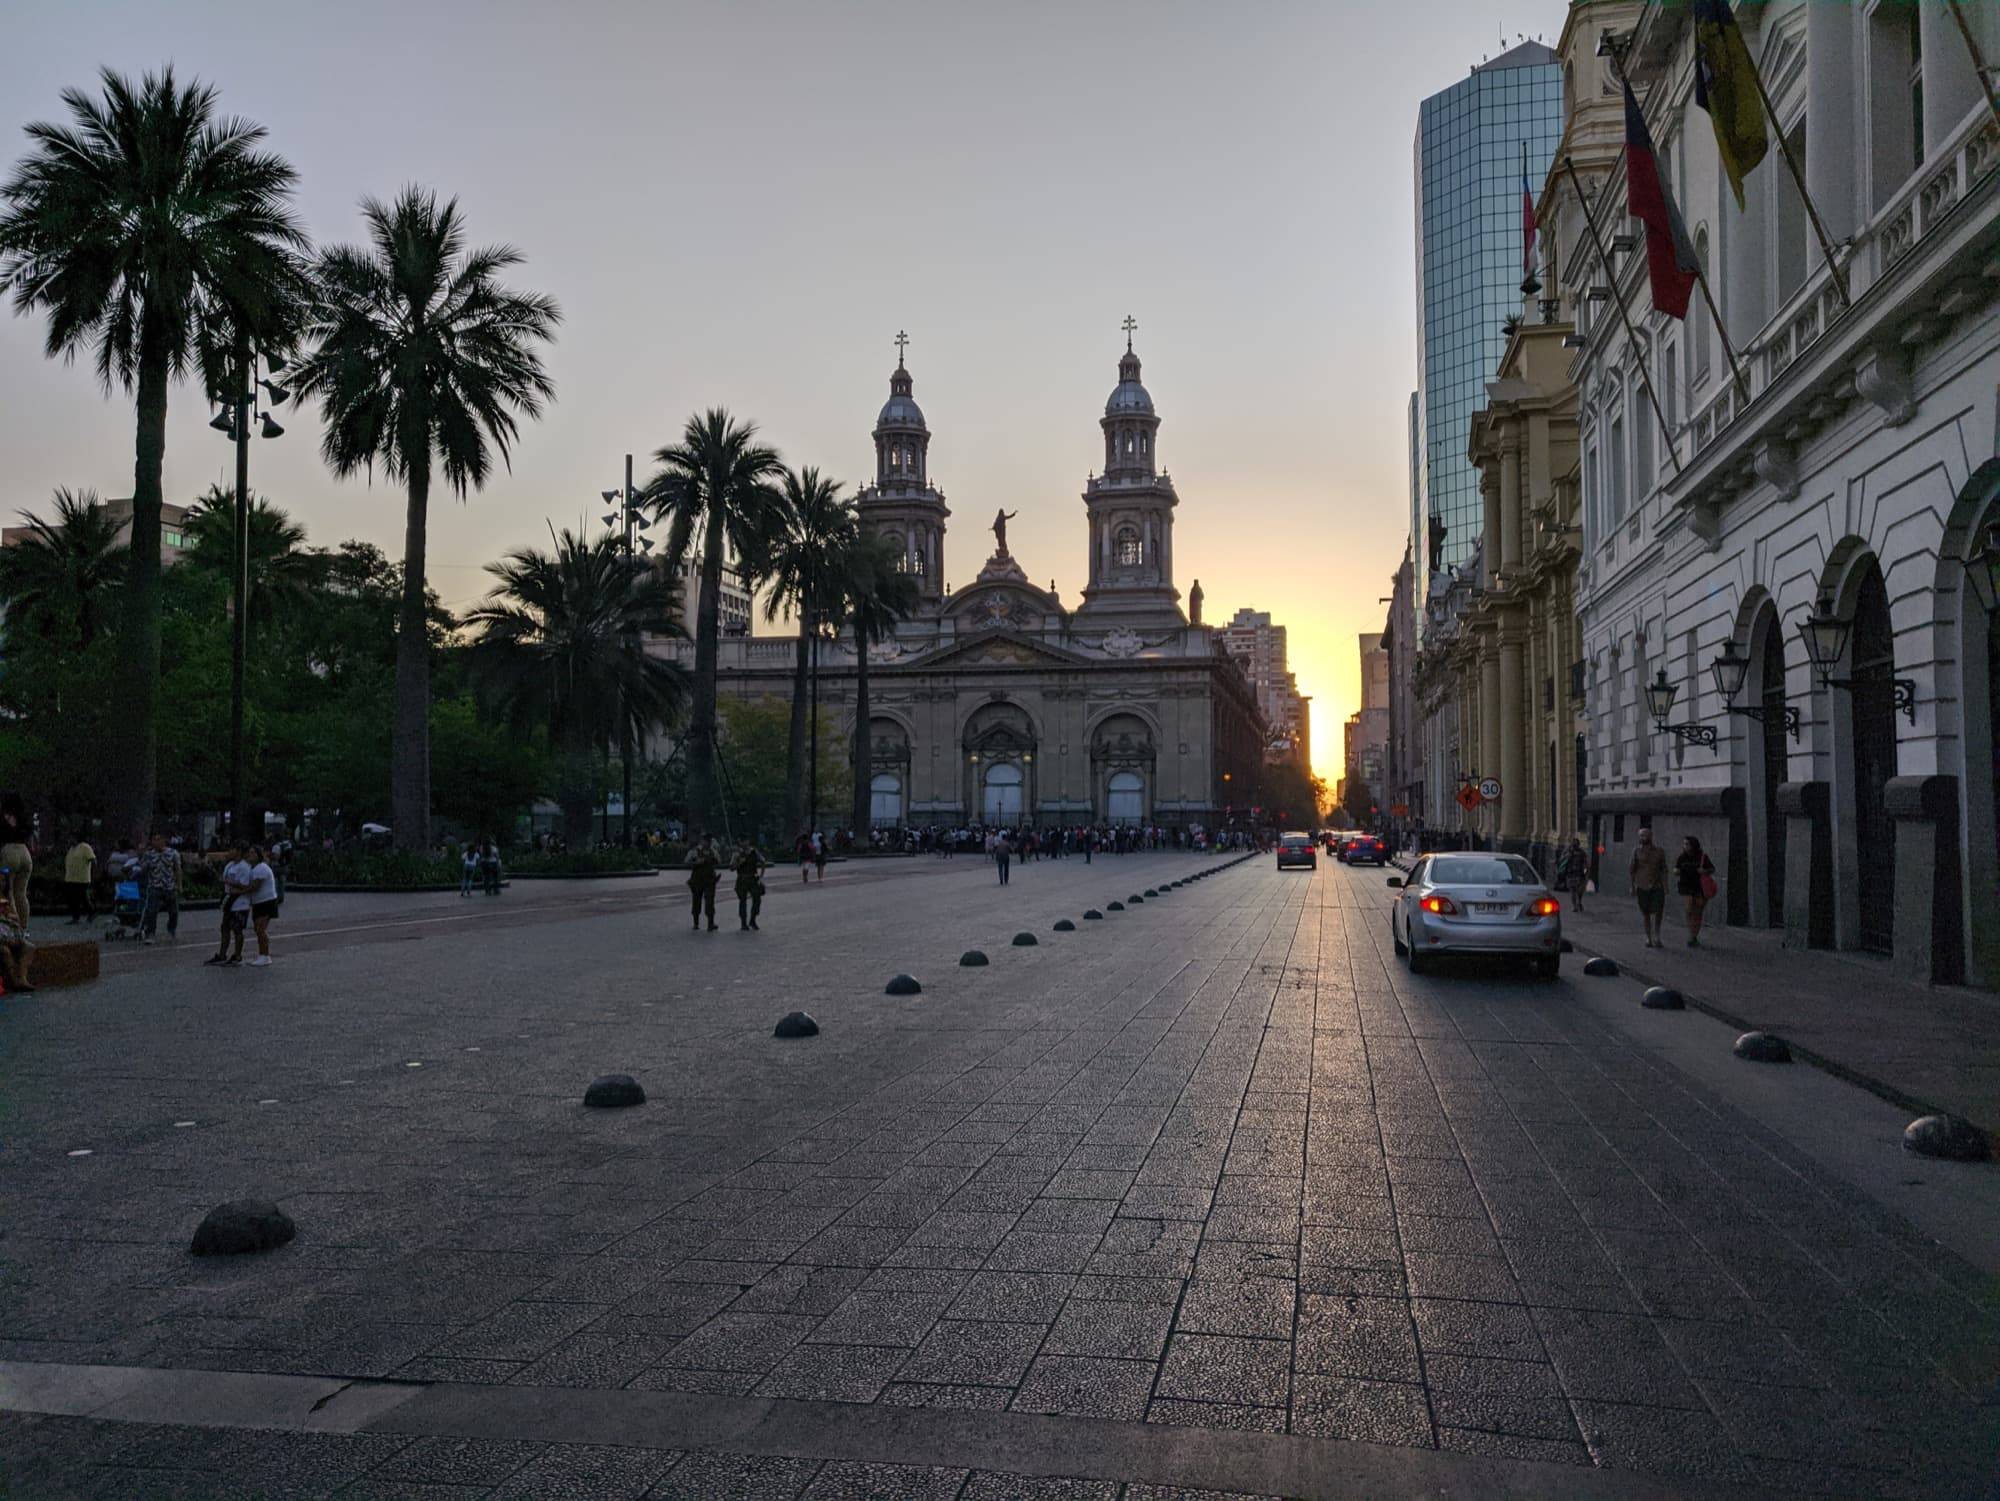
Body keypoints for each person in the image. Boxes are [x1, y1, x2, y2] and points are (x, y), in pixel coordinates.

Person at [207, 844, 253, 966]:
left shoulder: (244, 867)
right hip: (229, 901)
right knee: (225, 928)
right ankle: (222, 954)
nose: (229, 852)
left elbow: (245, 885)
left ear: (238, 851)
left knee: (237, 929)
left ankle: (237, 955)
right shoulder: (230, 865)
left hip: (240, 902)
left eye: (232, 849)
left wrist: (229, 882)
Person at [1629, 827, 1668, 949]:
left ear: (1651, 836)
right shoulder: (1636, 852)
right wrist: (1632, 886)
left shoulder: (1659, 851)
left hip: (1657, 886)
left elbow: (1663, 869)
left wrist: (1665, 885)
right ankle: (1648, 937)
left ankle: (1657, 936)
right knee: (1645, 912)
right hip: (1642, 886)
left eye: (1645, 835)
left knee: (1658, 911)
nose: (1642, 838)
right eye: (1640, 835)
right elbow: (1632, 870)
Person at [139, 831, 182, 944]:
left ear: (164, 840)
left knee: (173, 911)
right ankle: (150, 933)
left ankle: (171, 930)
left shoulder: (173, 853)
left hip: (169, 886)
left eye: (158, 839)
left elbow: (177, 869)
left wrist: (179, 885)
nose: (155, 842)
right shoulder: (149, 854)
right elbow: (143, 868)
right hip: (155, 885)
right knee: (152, 911)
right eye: (154, 839)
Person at [1676, 835, 1716, 948]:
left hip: (1700, 886)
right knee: (1689, 909)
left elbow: (1712, 869)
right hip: (1686, 885)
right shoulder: (1682, 857)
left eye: (1687, 844)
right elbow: (1677, 868)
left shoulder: (1702, 857)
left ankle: (1694, 936)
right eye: (1684, 844)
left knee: (1698, 911)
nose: (1685, 846)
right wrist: (1676, 871)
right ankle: (1690, 933)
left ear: (1693, 845)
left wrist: (1704, 871)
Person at [243, 844, 280, 966]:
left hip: (267, 902)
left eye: (253, 853)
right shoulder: (252, 869)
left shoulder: (261, 868)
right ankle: (262, 954)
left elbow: (255, 886)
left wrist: (239, 890)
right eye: (249, 852)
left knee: (260, 929)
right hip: (258, 903)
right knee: (258, 929)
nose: (250, 855)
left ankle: (265, 955)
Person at [0, 794, 32, 927]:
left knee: (8, 891)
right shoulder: (23, 819)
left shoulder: (3, 818)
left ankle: (14, 926)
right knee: (21, 893)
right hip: (25, 854)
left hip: (9, 855)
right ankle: (24, 927)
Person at [0, 890, 33, 993]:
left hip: (11, 941)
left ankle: (23, 979)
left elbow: (21, 934)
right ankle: (14, 980)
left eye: (6, 905)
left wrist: (18, 937)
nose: (5, 908)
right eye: (2, 906)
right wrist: (7, 941)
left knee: (28, 946)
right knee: (5, 951)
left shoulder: (10, 919)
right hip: (3, 943)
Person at [687, 836, 720, 932]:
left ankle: (710, 923)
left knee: (710, 901)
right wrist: (696, 862)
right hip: (697, 880)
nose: (708, 843)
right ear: (702, 841)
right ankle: (696, 923)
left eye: (709, 841)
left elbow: (719, 860)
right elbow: (686, 861)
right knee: (696, 901)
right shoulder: (695, 851)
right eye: (706, 841)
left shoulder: (713, 851)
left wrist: (714, 859)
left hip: (709, 880)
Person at [733, 842, 768, 931]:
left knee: (757, 899)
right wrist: (739, 862)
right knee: (742, 901)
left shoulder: (754, 852)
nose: (744, 843)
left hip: (753, 878)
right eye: (742, 840)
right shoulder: (737, 853)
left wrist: (761, 876)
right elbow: (731, 867)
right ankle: (743, 923)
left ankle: (753, 920)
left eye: (745, 840)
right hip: (742, 879)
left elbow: (763, 861)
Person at [64, 834, 96, 923]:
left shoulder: (85, 847)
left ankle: (91, 912)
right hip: (71, 878)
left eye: (71, 838)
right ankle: (76, 917)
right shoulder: (71, 849)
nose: (70, 840)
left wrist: (93, 873)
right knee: (73, 899)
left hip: (82, 878)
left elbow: (92, 859)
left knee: (82, 897)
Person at [1556, 837, 1589, 913]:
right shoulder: (1570, 852)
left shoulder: (1579, 852)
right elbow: (1562, 861)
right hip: (1573, 874)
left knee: (1577, 891)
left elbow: (1586, 863)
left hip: (1576, 874)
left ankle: (1577, 903)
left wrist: (1586, 871)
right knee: (1574, 891)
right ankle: (1576, 905)